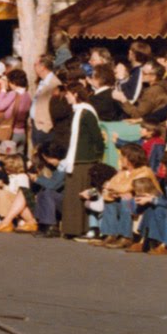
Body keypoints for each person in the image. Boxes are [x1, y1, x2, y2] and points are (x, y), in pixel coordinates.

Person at [59, 81, 105, 238]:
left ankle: (82, 229)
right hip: (75, 159)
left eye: (68, 94)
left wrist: (96, 155)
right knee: (72, 196)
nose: (66, 96)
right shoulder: (77, 112)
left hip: (84, 160)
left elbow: (96, 137)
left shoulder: (86, 112)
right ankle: (71, 229)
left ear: (76, 94)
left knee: (79, 194)